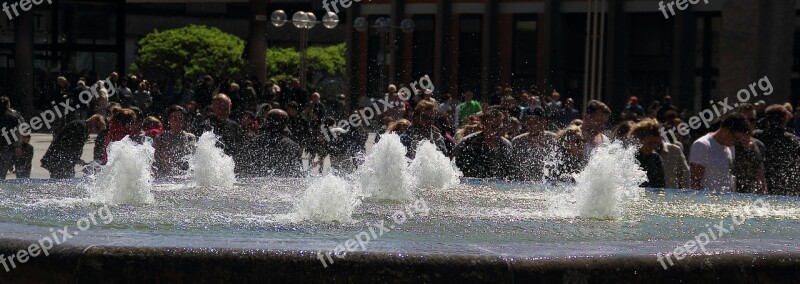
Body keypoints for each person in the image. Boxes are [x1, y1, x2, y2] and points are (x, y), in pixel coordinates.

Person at [689, 112, 750, 192]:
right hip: (706, 201)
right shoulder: (702, 145)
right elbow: (695, 182)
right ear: (725, 130)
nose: (736, 142)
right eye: (736, 139)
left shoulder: (730, 147)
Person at [452, 108, 515, 179]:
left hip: (498, 187)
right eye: (494, 127)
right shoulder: (467, 142)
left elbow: (510, 172)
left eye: (501, 128)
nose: (498, 131)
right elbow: (454, 168)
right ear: (484, 125)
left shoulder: (506, 145)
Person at [753, 105, 800, 195]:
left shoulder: (757, 136)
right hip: (786, 185)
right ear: (785, 119)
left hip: (762, 185)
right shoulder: (792, 140)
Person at [243, 109, 304, 177]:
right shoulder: (293, 147)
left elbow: (244, 168)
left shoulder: (253, 142)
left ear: (267, 123)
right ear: (285, 126)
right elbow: (298, 176)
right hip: (282, 185)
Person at [41, 115, 106, 178]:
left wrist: (77, 159)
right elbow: (71, 146)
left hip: (60, 159)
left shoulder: (82, 127)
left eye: (98, 130)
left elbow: (73, 146)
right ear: (93, 121)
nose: (96, 131)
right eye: (97, 127)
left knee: (66, 178)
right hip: (58, 160)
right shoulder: (80, 127)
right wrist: (76, 159)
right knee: (63, 180)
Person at [511, 106, 557, 181]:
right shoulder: (517, 141)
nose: (532, 126)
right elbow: (513, 168)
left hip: (548, 186)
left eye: (535, 122)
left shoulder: (554, 140)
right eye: (529, 122)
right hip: (523, 185)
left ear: (544, 122)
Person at [731, 104, 766, 194]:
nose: (748, 124)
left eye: (752, 120)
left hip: (751, 198)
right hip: (730, 197)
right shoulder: (729, 144)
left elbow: (761, 177)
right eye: (745, 120)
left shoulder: (758, 145)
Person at [154, 106, 197, 177]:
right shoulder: (161, 138)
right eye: (174, 117)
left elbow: (194, 160)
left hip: (184, 177)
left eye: (180, 118)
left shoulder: (190, 137)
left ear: (184, 121)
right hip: (164, 177)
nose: (177, 121)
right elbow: (155, 161)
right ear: (169, 119)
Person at [200, 94, 244, 161]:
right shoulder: (205, 126)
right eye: (220, 108)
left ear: (230, 107)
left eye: (226, 109)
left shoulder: (235, 127)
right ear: (213, 107)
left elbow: (241, 149)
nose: (223, 112)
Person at [630, 119, 666, 188]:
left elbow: (662, 183)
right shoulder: (632, 155)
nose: (654, 146)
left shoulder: (656, 157)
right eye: (650, 143)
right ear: (641, 140)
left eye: (656, 143)